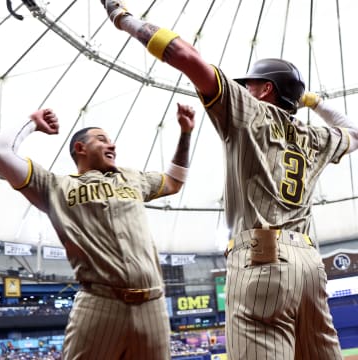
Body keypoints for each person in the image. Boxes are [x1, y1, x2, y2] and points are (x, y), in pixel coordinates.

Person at [99, 1, 358, 359]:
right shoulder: (317, 138)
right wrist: (309, 101)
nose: (245, 89)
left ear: (265, 90)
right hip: (311, 267)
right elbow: (353, 131)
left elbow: (184, 55)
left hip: (262, 259)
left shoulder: (248, 110)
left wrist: (122, 19)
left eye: (250, 84)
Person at [0, 103, 195, 359]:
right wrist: (33, 122)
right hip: (99, 304)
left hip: (153, 305)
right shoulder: (55, 186)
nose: (112, 146)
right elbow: (1, 152)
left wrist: (186, 133)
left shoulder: (132, 178)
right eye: (102, 140)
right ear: (80, 148)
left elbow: (174, 180)